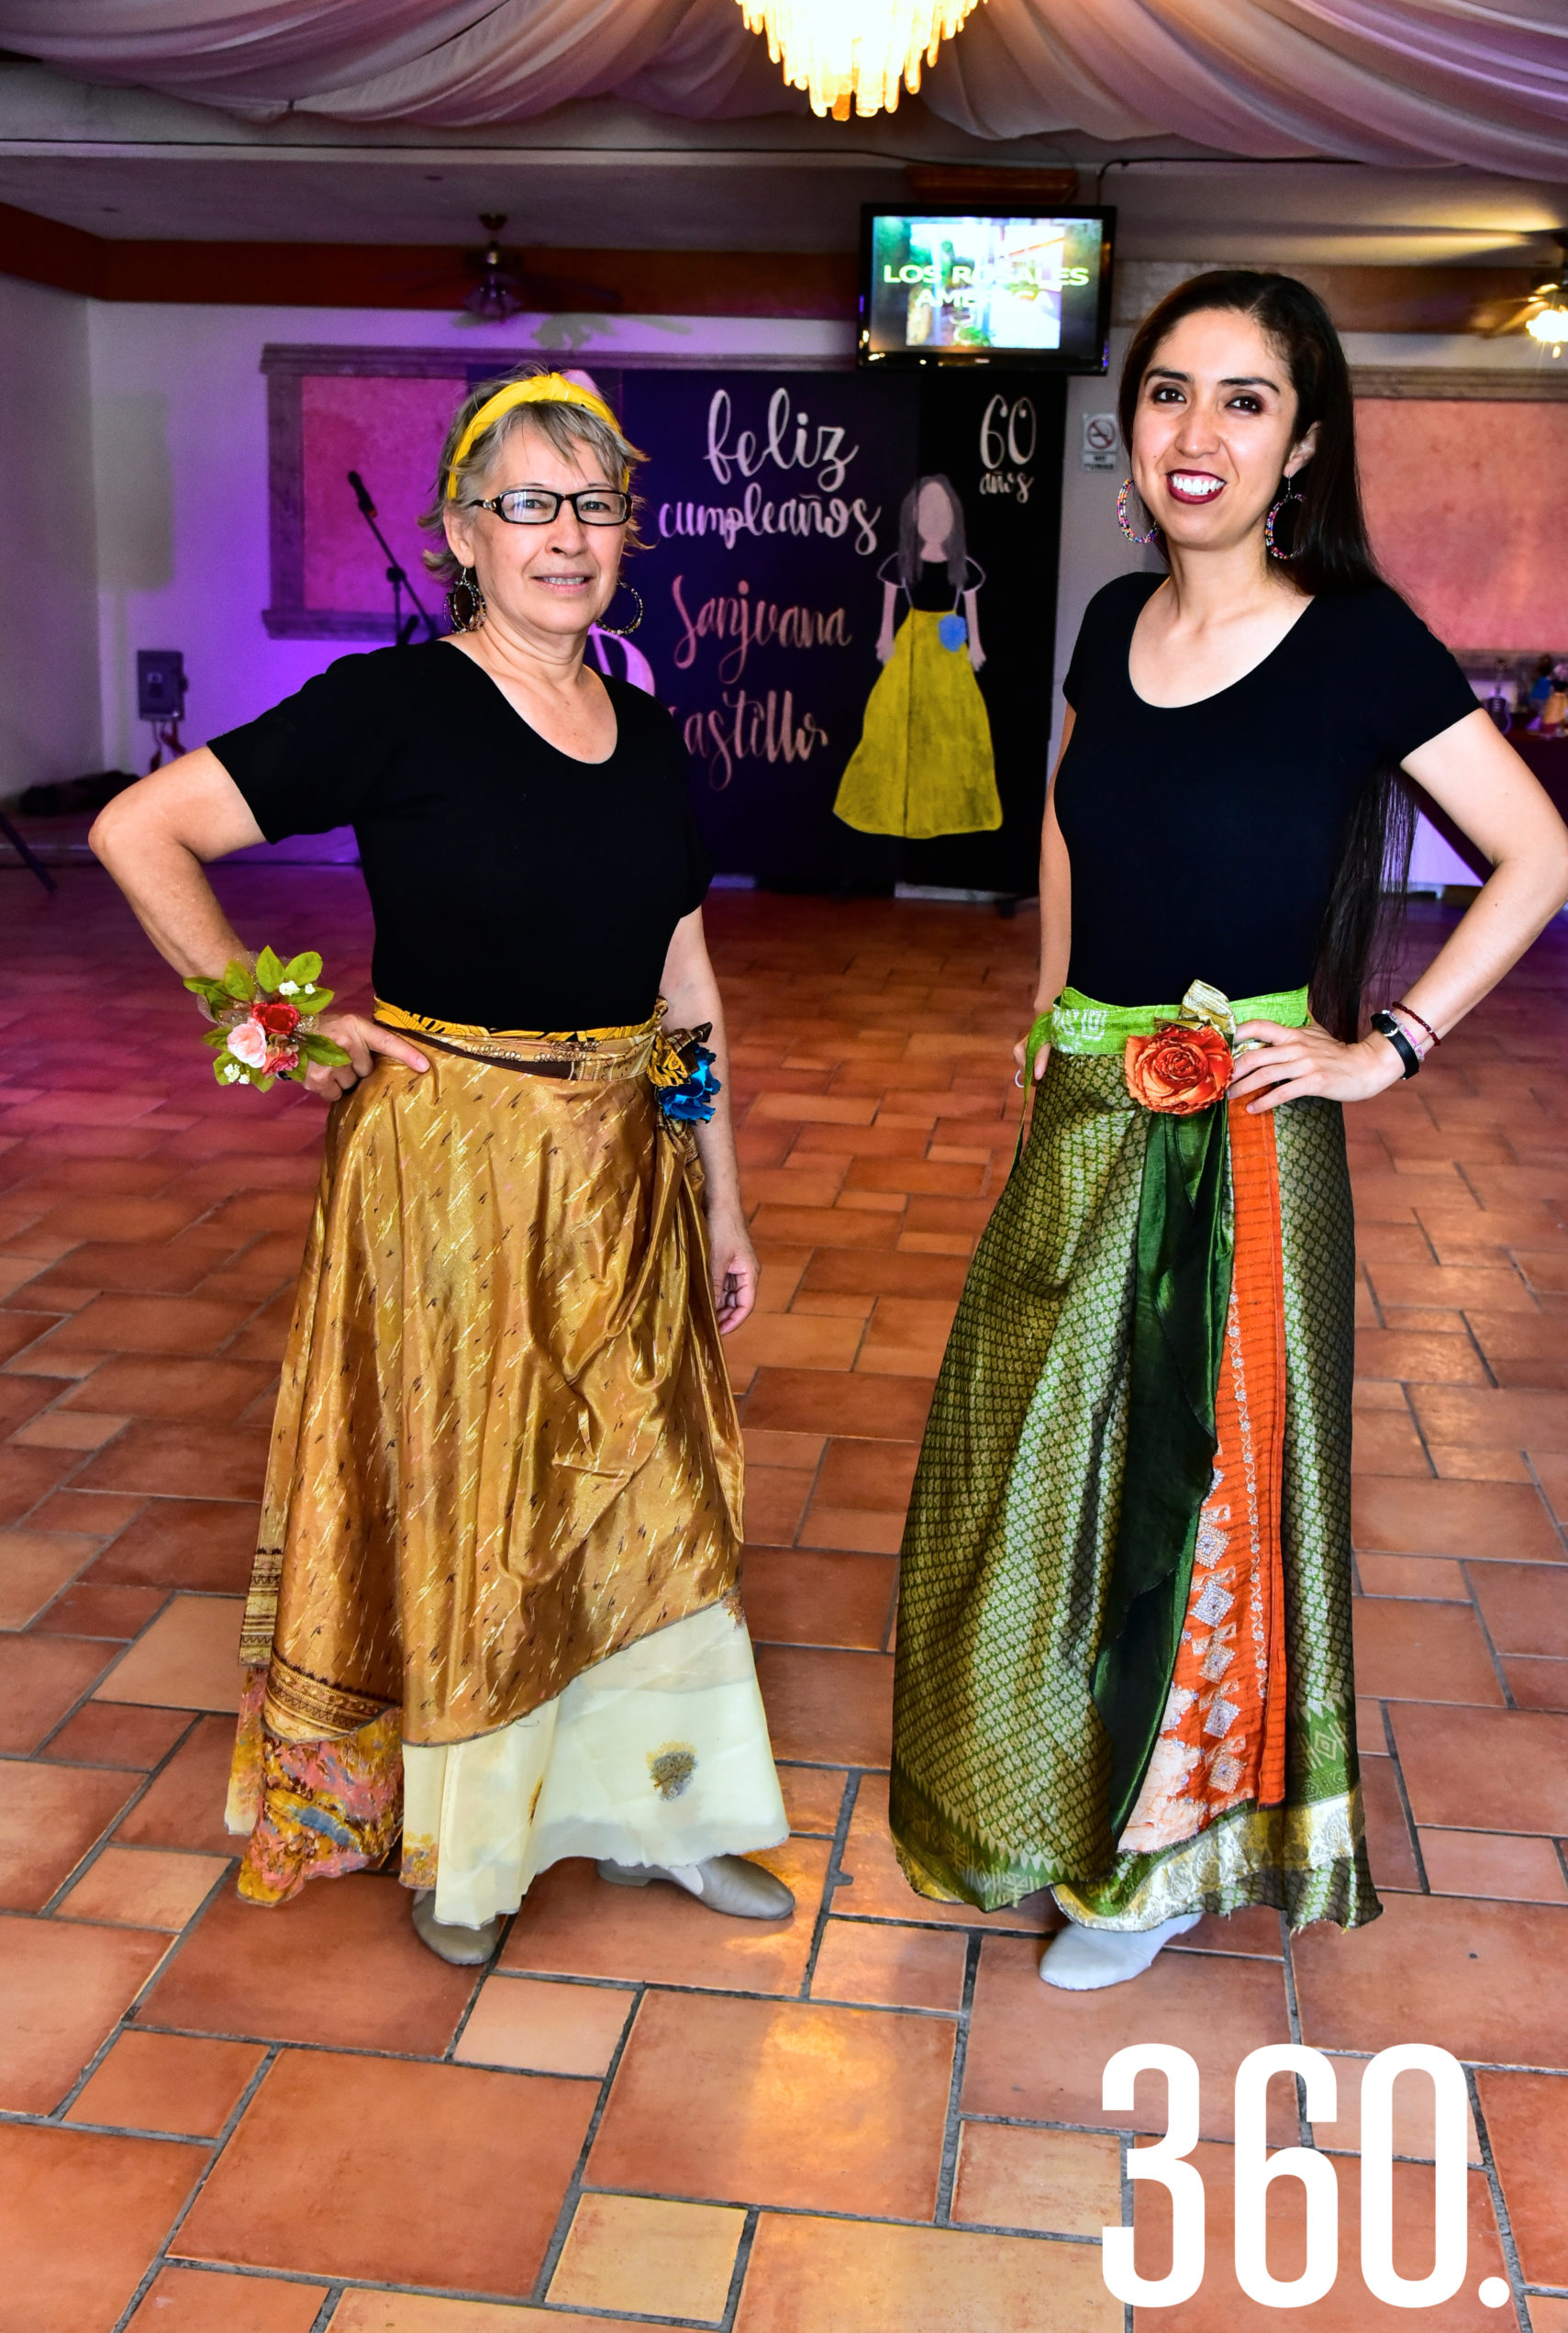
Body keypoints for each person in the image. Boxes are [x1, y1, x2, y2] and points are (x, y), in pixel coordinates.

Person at [890, 273, 1568, 1990]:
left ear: (1301, 443)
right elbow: (1065, 826)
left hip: (1251, 1131)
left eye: (1243, 401)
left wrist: (1382, 1048)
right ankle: (1053, 1787)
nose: (1197, 435)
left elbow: (1537, 852)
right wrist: (1045, 1011)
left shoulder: (1353, 640)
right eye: (1169, 395)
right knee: (1042, 1462)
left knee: (1201, 1491)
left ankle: (1161, 1859)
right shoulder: (1106, 616)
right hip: (1084, 1103)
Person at [91, 369, 793, 1966]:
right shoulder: (393, 705)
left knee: (651, 1492)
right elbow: (144, 831)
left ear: (627, 531)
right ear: (461, 532)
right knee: (484, 1497)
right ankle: (464, 1853)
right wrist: (273, 1020)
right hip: (449, 1168)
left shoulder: (651, 726)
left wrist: (720, 1188)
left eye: (594, 503)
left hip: (626, 1155)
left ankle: (656, 1812)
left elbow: (680, 974)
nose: (564, 535)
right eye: (526, 504)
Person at [833, 474, 1001, 840]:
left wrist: (975, 645)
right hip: (912, 643)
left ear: (953, 516)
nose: (935, 519)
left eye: (941, 511)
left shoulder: (962, 566)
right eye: (927, 511)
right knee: (890, 720)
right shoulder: (902, 563)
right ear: (913, 516)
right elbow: (888, 608)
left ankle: (949, 810)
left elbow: (970, 606)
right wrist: (884, 639)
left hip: (949, 648)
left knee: (953, 726)